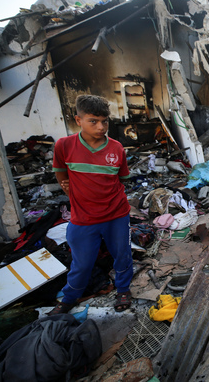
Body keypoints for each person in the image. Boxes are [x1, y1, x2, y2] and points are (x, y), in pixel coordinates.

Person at [50, 95, 133, 314]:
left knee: (122, 255)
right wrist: (69, 188)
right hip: (83, 218)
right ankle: (69, 298)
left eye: (105, 121)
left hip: (116, 214)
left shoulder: (116, 149)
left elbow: (122, 179)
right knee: (82, 263)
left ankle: (123, 289)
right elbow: (60, 171)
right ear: (78, 120)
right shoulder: (64, 145)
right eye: (93, 121)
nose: (101, 126)